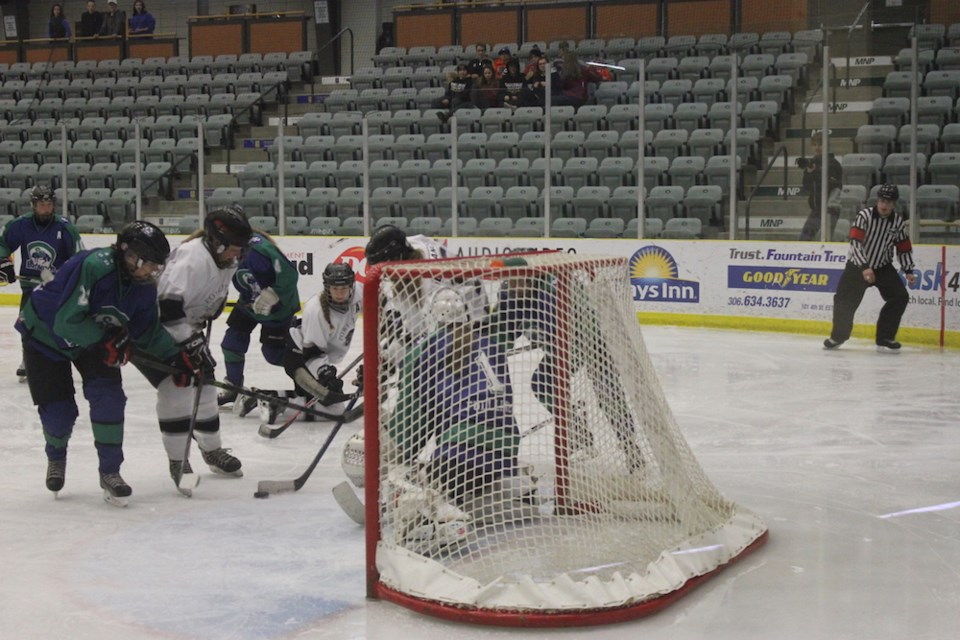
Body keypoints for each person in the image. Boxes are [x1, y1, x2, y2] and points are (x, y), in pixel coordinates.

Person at [15, 221, 184, 505]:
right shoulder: (95, 266)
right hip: (46, 336)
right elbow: (66, 323)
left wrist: (176, 358)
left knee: (110, 399)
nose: (153, 272)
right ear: (131, 256)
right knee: (59, 414)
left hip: (94, 338)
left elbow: (147, 331)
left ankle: (110, 471)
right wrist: (106, 340)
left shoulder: (142, 286)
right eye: (149, 265)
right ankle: (56, 456)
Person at [383, 287, 536, 544]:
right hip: (507, 452)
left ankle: (443, 517)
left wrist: (400, 450)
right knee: (477, 467)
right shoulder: (492, 345)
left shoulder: (422, 353)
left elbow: (411, 428)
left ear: (433, 317)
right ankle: (517, 486)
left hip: (458, 456)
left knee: (410, 480)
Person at [134, 207, 252, 489]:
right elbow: (167, 307)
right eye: (234, 249)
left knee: (206, 385)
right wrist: (190, 342)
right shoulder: (192, 258)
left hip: (183, 328)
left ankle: (211, 449)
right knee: (176, 388)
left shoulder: (224, 259)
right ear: (217, 242)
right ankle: (178, 461)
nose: (237, 255)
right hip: (153, 331)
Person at [0, 185, 83, 381]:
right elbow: (2, 244)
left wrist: (69, 280)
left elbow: (80, 258)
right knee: (28, 323)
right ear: (33, 205)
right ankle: (28, 359)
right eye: (41, 205)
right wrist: (4, 263)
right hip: (31, 287)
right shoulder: (21, 225)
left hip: (58, 288)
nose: (45, 208)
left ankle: (77, 357)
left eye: (48, 204)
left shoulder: (65, 227)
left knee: (63, 324)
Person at [824, 184, 917, 353]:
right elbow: (855, 243)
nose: (884, 205)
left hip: (882, 266)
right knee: (844, 301)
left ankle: (885, 337)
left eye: (889, 202)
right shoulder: (864, 216)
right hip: (857, 267)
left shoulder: (897, 222)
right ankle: (838, 336)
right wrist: (865, 267)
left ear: (894, 204)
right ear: (877, 201)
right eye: (882, 200)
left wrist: (908, 269)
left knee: (900, 297)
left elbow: (903, 247)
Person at [216, 227, 300, 411]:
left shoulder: (259, 249)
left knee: (273, 354)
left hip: (279, 307)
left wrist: (275, 296)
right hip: (248, 302)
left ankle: (309, 372)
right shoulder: (222, 249)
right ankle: (234, 387)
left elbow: (290, 274)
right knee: (231, 344)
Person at [271, 262, 362, 425]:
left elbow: (381, 297)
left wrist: (391, 315)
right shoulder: (316, 310)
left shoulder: (358, 293)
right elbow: (311, 353)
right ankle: (278, 405)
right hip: (299, 359)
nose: (340, 294)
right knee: (334, 407)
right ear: (327, 288)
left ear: (351, 286)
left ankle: (269, 397)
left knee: (312, 398)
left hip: (314, 358)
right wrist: (326, 375)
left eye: (343, 289)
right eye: (335, 289)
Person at [798, 130, 844, 241]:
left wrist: (815, 172)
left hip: (830, 208)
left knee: (824, 242)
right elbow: (806, 186)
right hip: (816, 209)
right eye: (814, 145)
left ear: (827, 145)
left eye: (820, 144)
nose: (817, 148)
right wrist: (809, 172)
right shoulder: (812, 162)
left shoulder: (833, 164)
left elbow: (830, 184)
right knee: (803, 240)